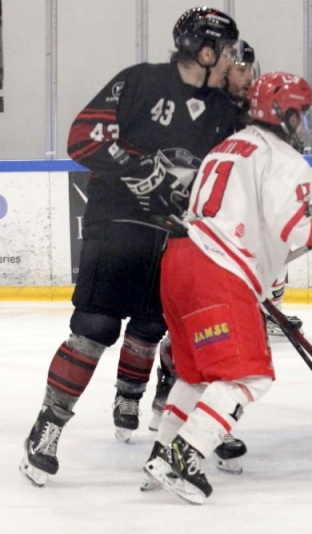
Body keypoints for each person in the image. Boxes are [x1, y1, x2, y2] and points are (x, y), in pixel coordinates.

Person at [19, 7, 241, 487]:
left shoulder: (226, 111)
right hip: (117, 220)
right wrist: (140, 172)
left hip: (173, 235)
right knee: (95, 325)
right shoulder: (141, 82)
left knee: (152, 324)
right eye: (225, 52)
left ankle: (136, 398)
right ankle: (48, 427)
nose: (231, 61)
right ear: (204, 51)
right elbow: (82, 138)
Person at [141, 71, 312, 504]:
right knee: (248, 374)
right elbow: (296, 227)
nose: (304, 122)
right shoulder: (283, 158)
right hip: (217, 270)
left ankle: (162, 452)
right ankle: (185, 455)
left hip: (178, 263)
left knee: (199, 375)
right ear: (283, 113)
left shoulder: (228, 146)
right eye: (301, 113)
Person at [149, 38, 262, 472]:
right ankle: (171, 403)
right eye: (240, 68)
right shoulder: (203, 107)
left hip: (220, 242)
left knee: (219, 337)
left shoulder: (239, 114)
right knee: (195, 333)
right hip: (191, 237)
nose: (247, 76)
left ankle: (203, 425)